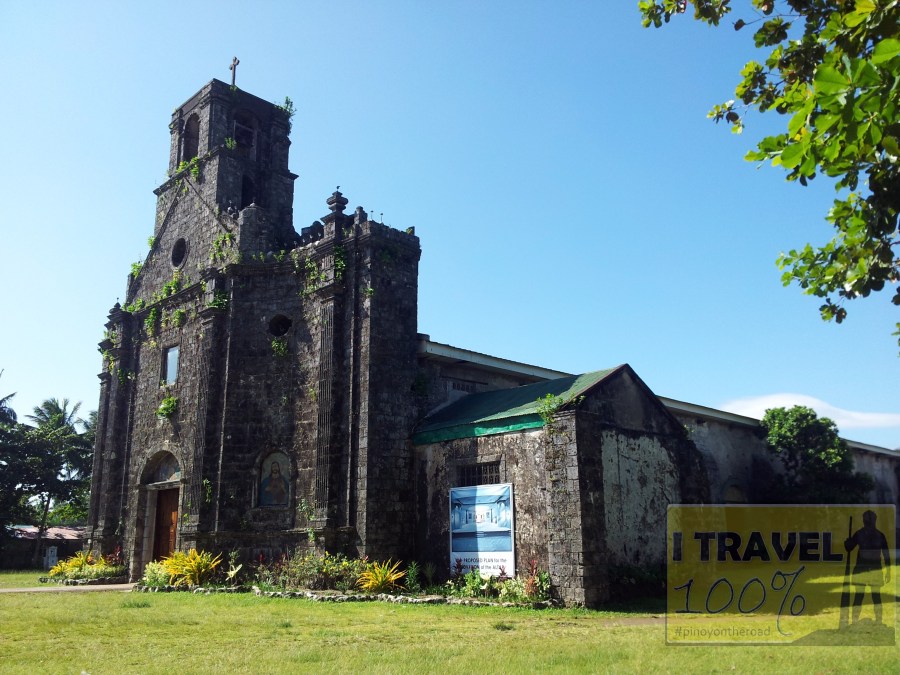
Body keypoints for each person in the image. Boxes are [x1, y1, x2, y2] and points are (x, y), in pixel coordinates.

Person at [844, 510, 892, 624]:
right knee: (873, 597)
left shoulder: (861, 534)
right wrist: (888, 571)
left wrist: (848, 542)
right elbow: (886, 555)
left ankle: (858, 621)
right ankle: (875, 621)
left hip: (865, 570)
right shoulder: (879, 535)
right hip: (869, 570)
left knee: (862, 597)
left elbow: (849, 547)